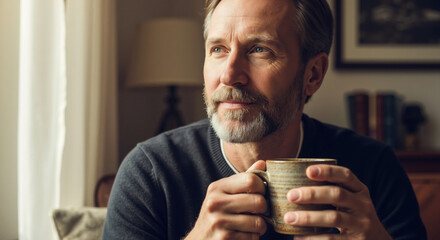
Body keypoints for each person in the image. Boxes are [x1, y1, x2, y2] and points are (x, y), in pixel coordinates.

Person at [103, 0, 427, 239]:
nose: (230, 75)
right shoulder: (151, 172)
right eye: (218, 49)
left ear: (312, 74)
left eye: (259, 49)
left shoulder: (373, 168)